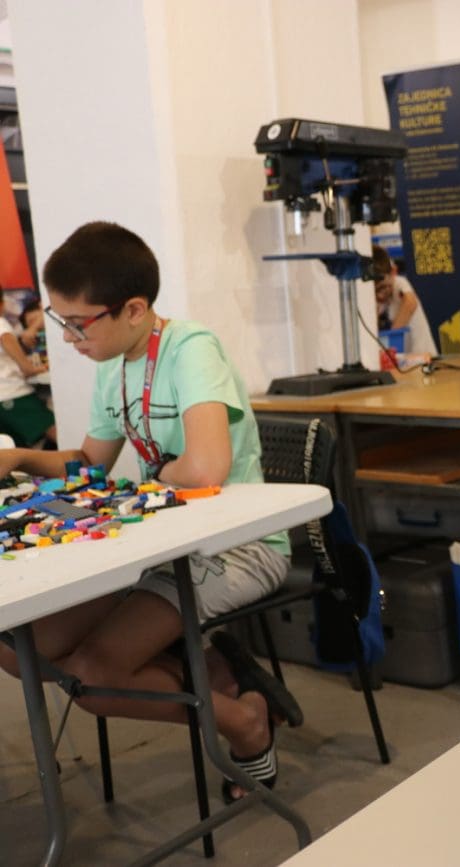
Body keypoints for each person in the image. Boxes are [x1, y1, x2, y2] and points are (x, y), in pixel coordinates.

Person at [0, 221, 299, 803]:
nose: (67, 338)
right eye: (60, 320)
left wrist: (144, 483)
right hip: (162, 543)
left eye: (78, 323)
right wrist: (19, 459)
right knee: (19, 646)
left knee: (91, 676)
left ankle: (246, 722)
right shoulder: (113, 364)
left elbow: (206, 468)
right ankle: (211, 670)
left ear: (134, 310)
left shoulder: (191, 349)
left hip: (237, 544)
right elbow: (90, 462)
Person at [0, 301, 54, 446]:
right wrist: (27, 367)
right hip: (12, 393)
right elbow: (5, 337)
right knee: (57, 432)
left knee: (14, 447)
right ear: (2, 304)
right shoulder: (1, 323)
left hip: (6, 397)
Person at [371, 245, 438, 359]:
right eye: (375, 290)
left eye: (383, 287)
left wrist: (392, 337)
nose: (380, 295)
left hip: (423, 357)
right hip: (402, 362)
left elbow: (410, 302)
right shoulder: (374, 301)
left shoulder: (399, 284)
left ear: (393, 272)